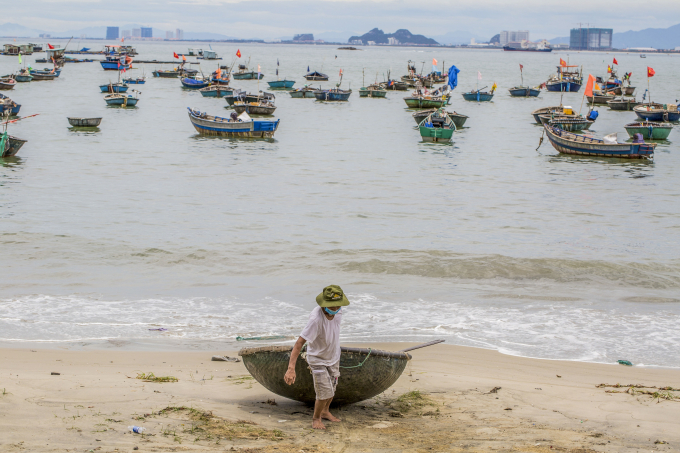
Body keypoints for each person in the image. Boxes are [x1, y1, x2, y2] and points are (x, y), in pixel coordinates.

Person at [284, 285, 350, 429]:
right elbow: (299, 343)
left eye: (337, 306)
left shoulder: (338, 311)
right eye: (331, 307)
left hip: (333, 356)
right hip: (318, 359)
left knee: (332, 389)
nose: (335, 310)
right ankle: (316, 418)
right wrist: (291, 369)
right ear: (323, 305)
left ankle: (325, 411)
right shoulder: (316, 320)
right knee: (323, 392)